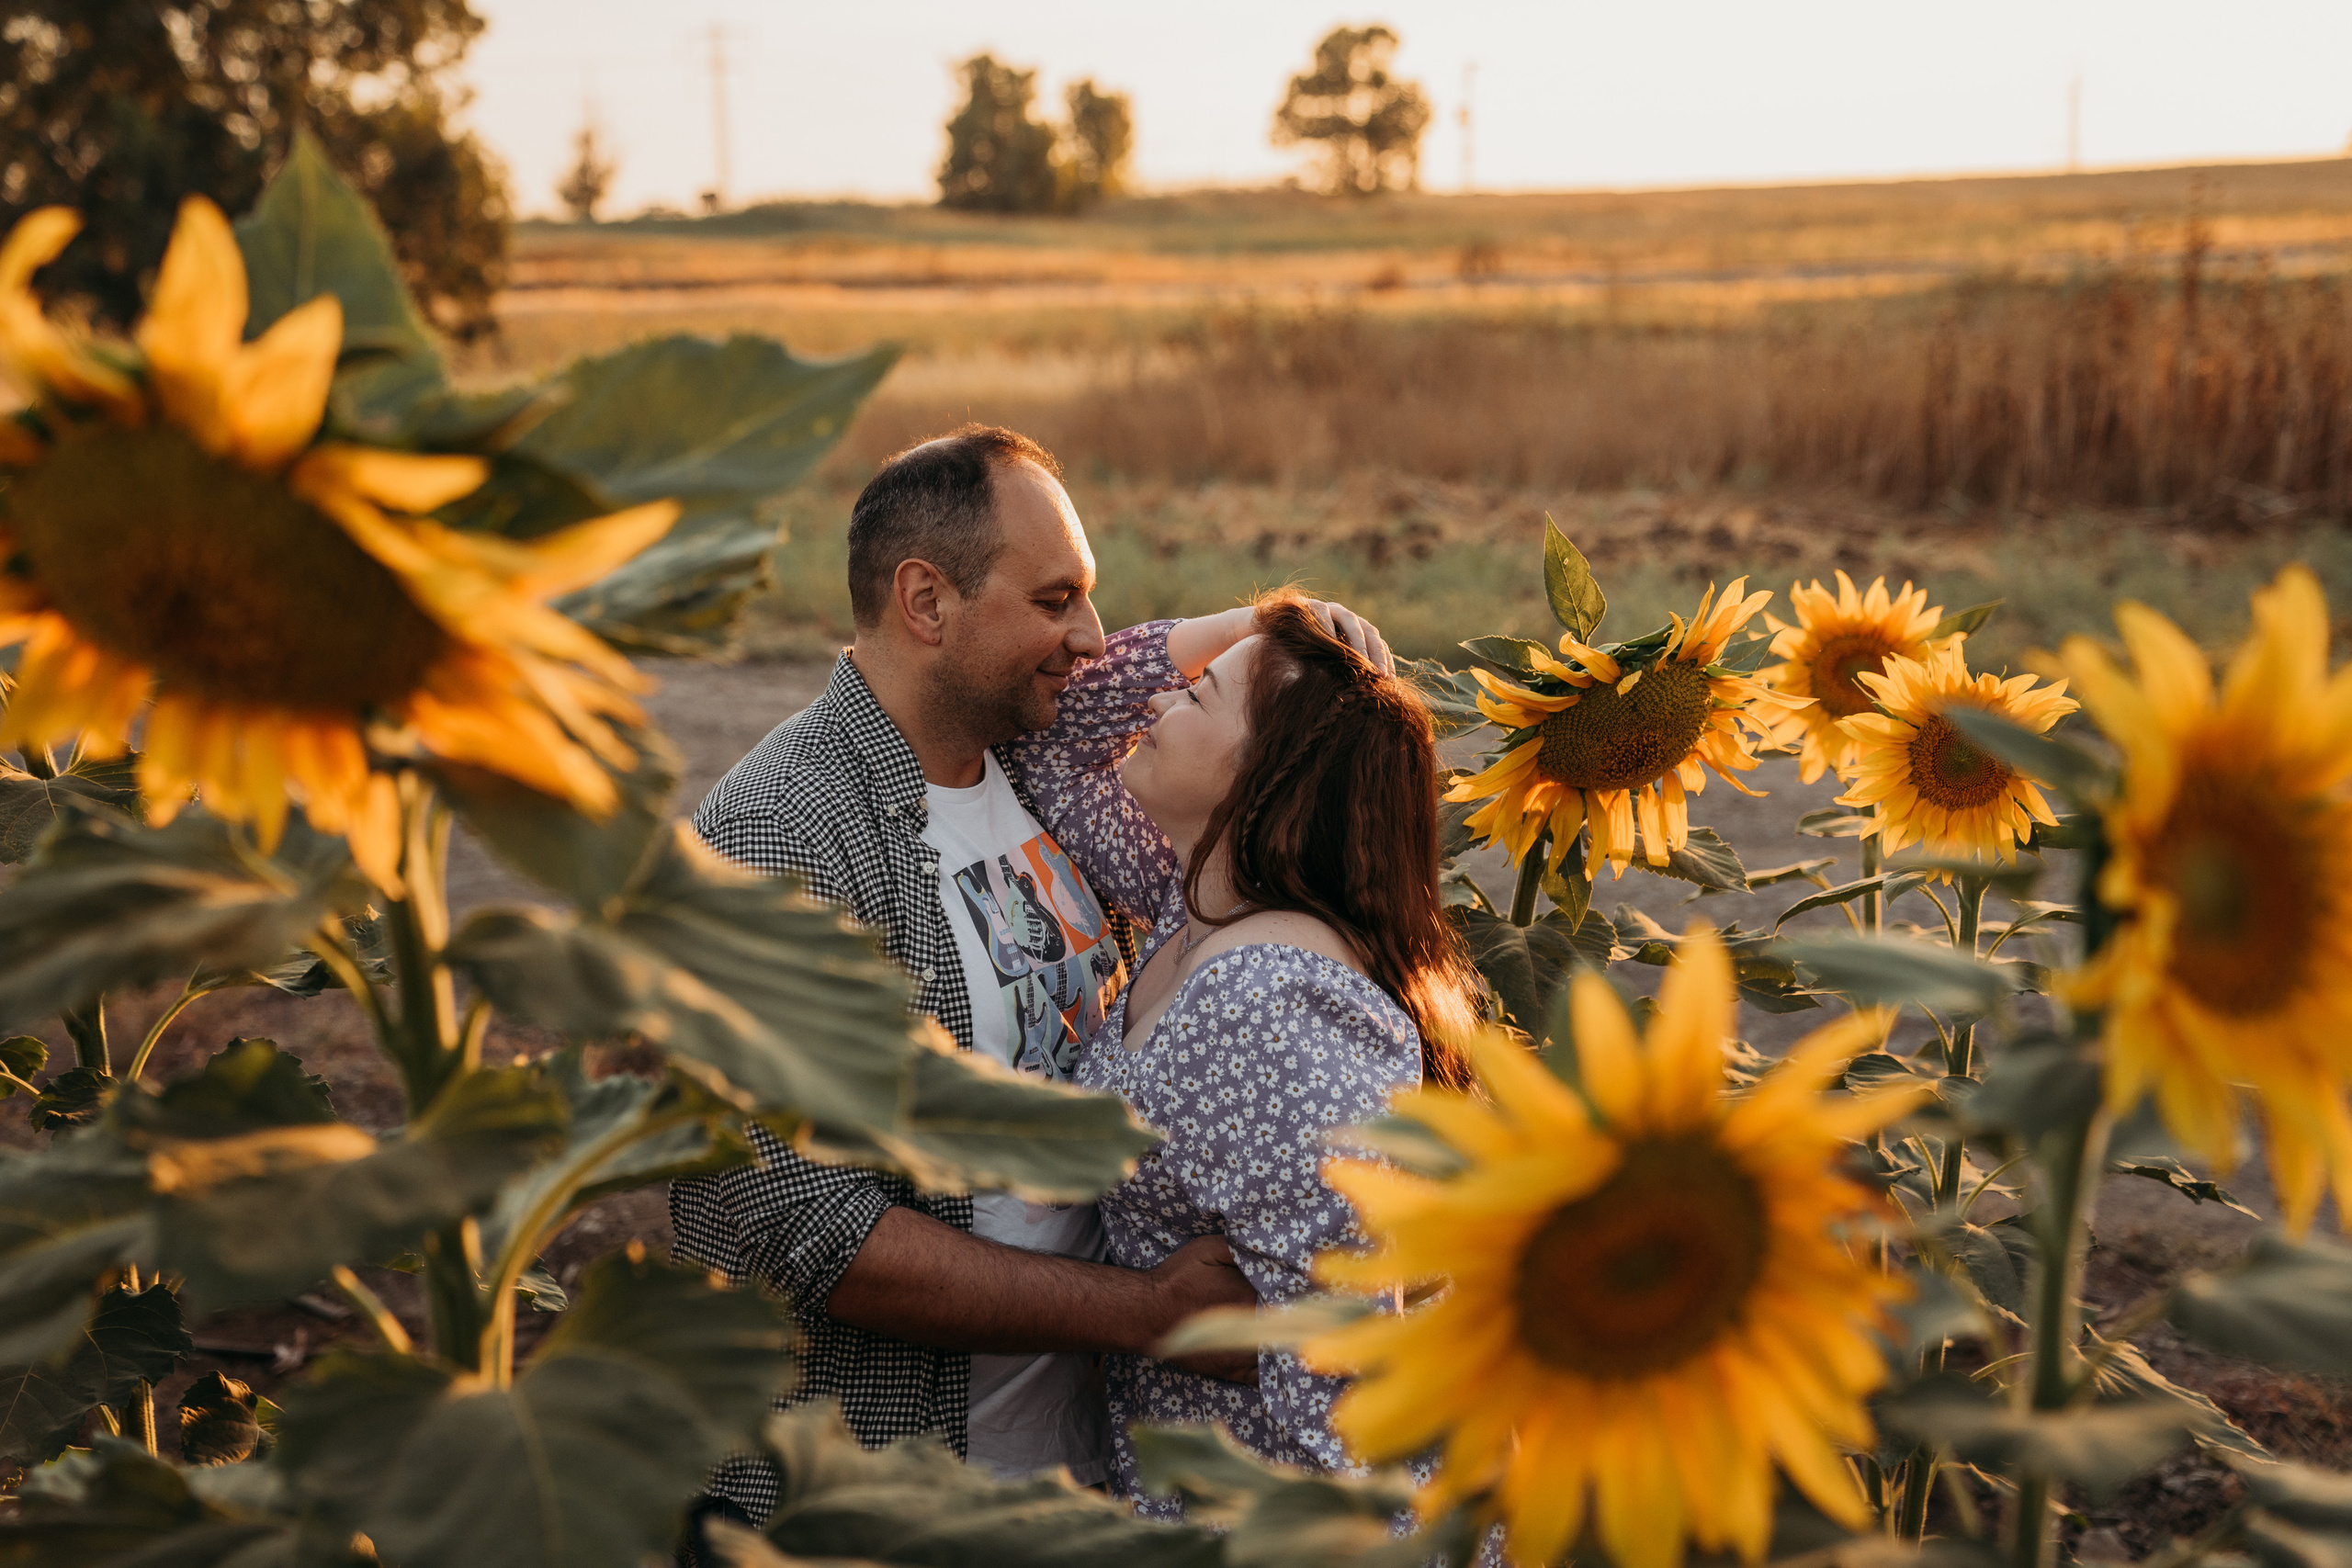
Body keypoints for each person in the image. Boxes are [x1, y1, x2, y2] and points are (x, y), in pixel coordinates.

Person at [669, 426, 1258, 1551]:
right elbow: (814, 1228)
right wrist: (1147, 1316)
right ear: (925, 602)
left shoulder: (1038, 768)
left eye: (1088, 598)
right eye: (1053, 601)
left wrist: (1285, 625)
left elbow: (1144, 663)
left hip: (1074, 1474)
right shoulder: (778, 836)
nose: (1087, 637)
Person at [1009, 589, 1477, 1508]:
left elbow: (1342, 1369)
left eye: (1192, 699)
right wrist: (1240, 631)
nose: (1153, 701)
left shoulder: (1272, 1005)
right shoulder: (1194, 906)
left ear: (1264, 775)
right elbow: (1052, 733)